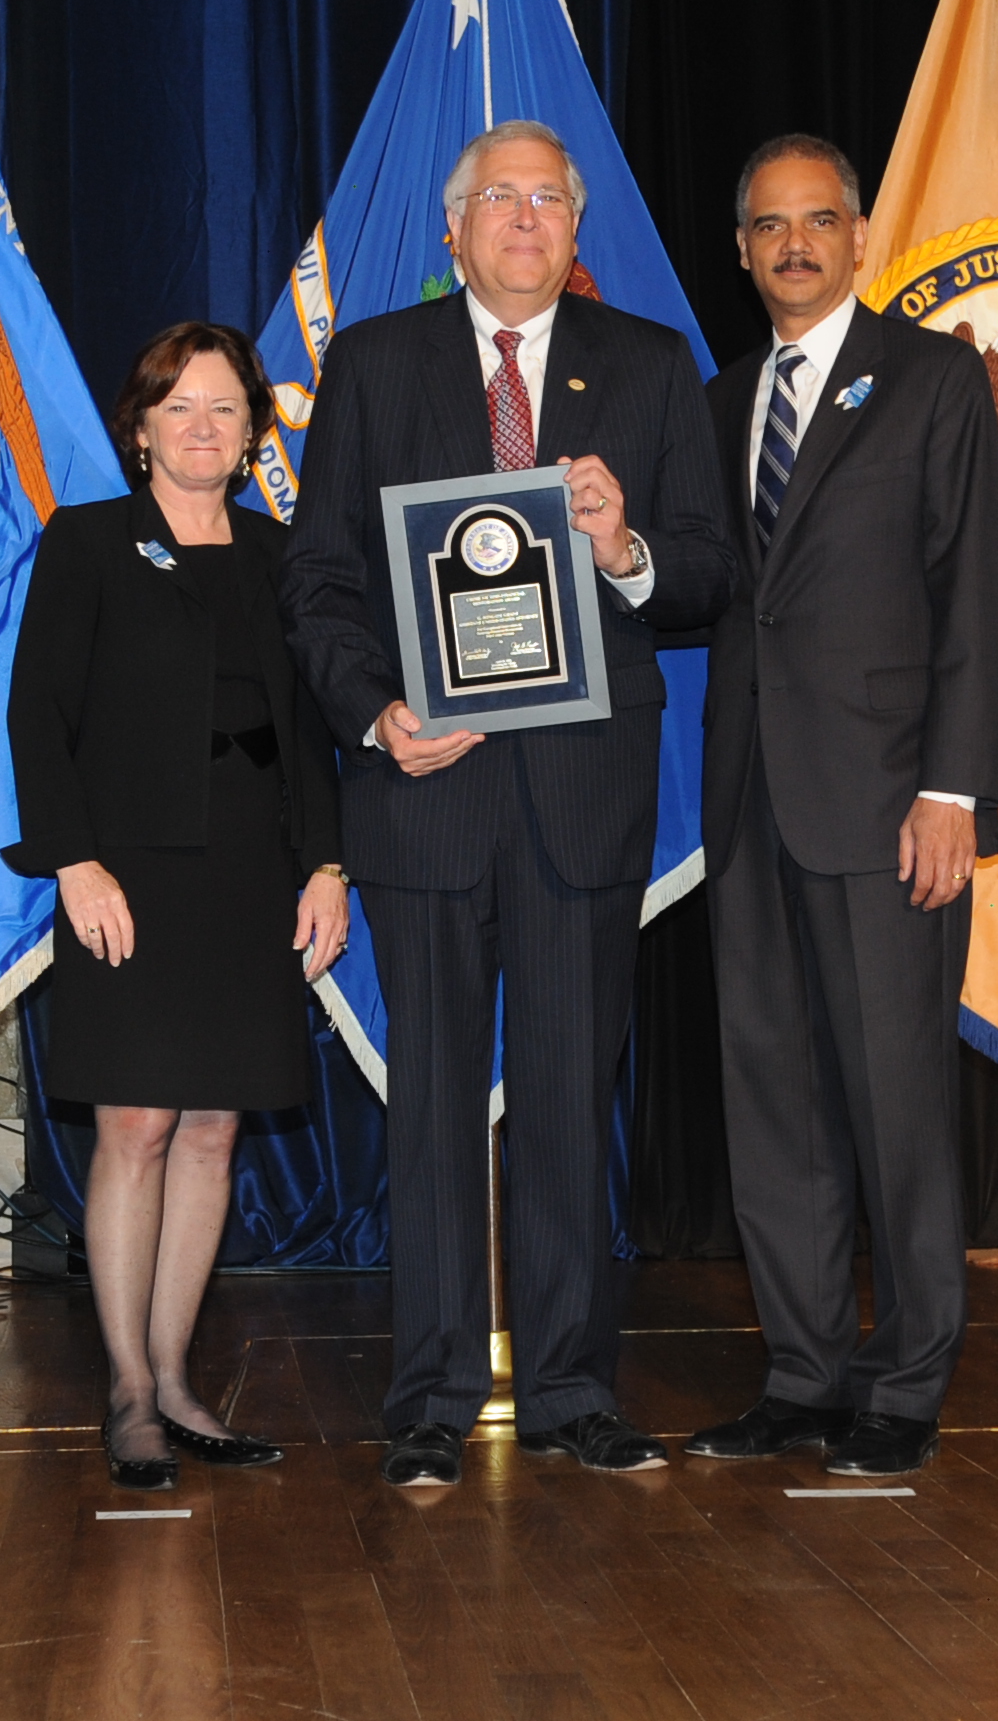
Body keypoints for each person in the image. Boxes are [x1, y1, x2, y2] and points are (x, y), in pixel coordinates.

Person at [279, 121, 735, 1487]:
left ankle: (569, 1391)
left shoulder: (650, 366)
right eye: (499, 199)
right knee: (424, 1109)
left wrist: (625, 545)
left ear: (571, 228)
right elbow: (319, 580)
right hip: (424, 798)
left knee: (562, 1101)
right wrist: (374, 712)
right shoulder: (371, 365)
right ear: (453, 231)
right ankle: (427, 1396)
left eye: (548, 198)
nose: (524, 218)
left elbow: (710, 576)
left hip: (581, 804)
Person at [687, 136, 998, 1478]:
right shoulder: (720, 404)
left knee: (894, 1107)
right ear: (745, 248)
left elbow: (974, 594)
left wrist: (953, 788)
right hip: (754, 803)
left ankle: (909, 1376)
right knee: (775, 1105)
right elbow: (706, 588)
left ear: (861, 234)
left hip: (891, 805)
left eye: (819, 221)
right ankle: (806, 1373)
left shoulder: (936, 378)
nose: (796, 245)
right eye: (770, 227)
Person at [6, 323, 349, 1491]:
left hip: (252, 871)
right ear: (140, 427)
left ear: (255, 431)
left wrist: (328, 866)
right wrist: (74, 864)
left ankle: (177, 1375)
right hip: (131, 877)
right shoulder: (90, 543)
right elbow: (37, 718)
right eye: (181, 408)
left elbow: (306, 727)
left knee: (213, 1128)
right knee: (138, 1125)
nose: (205, 428)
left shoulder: (276, 553)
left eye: (225, 408)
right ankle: (125, 1386)